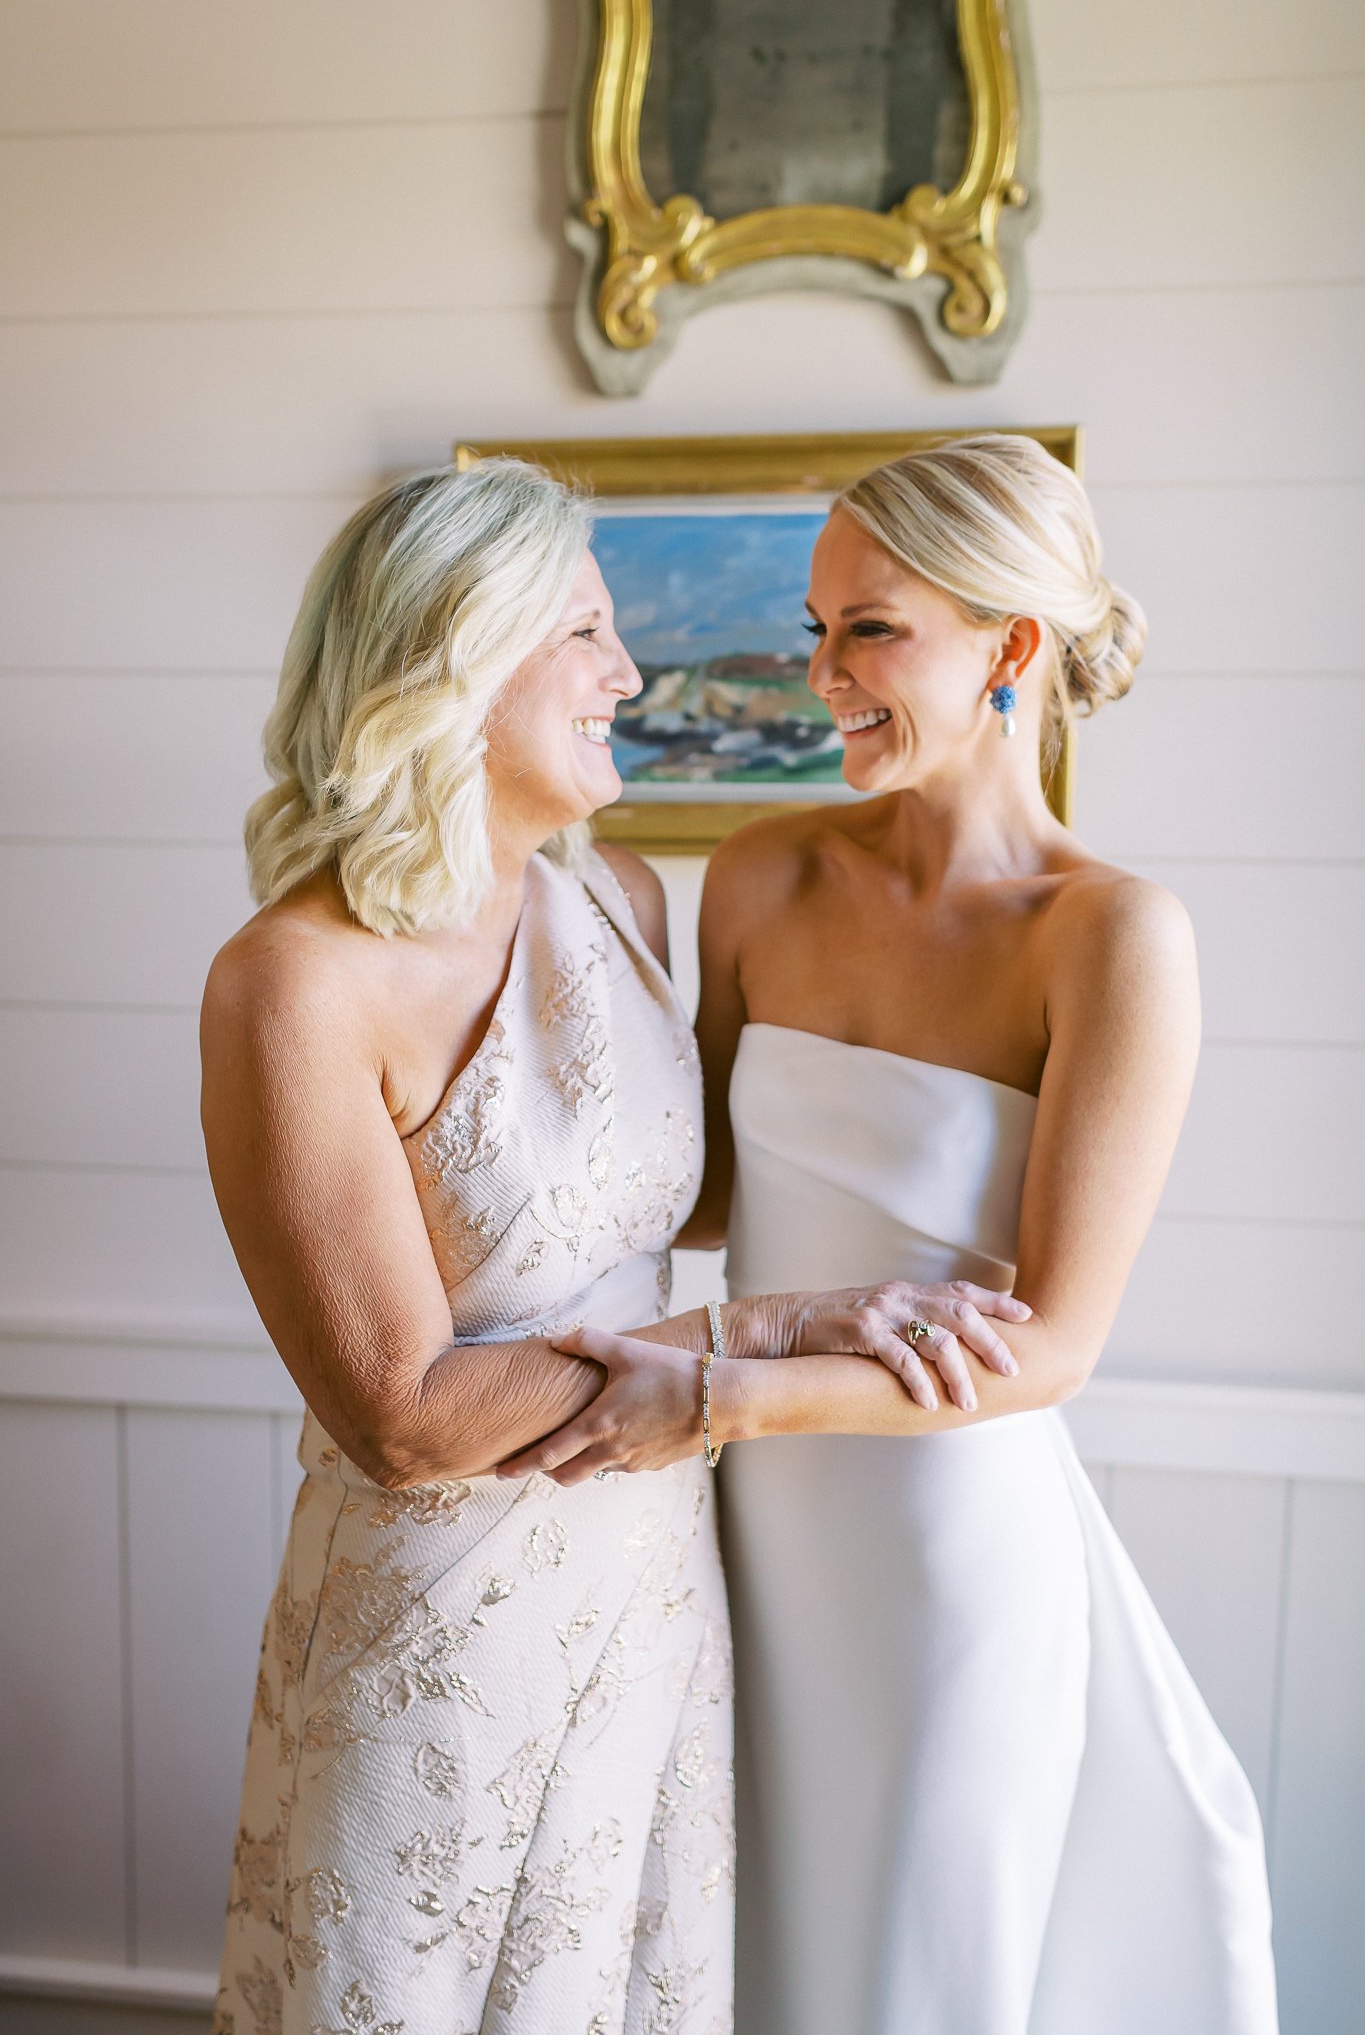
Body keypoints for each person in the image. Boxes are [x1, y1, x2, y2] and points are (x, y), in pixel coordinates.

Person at [202, 456, 1023, 2035]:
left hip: (652, 1582)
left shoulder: (630, 902)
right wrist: (761, 1336)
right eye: (585, 632)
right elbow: (405, 1417)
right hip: (439, 1615)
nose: (627, 678)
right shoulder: (294, 982)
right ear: (454, 656)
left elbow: (689, 1189)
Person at [513, 435, 1278, 2034]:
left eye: (870, 629)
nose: (818, 677)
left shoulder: (1111, 936)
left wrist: (715, 1394)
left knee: (908, 1970)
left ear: (1010, 647)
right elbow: (694, 1191)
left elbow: (1052, 1349)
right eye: (816, 627)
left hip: (941, 1539)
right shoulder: (759, 874)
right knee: (748, 1956)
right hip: (732, 1533)